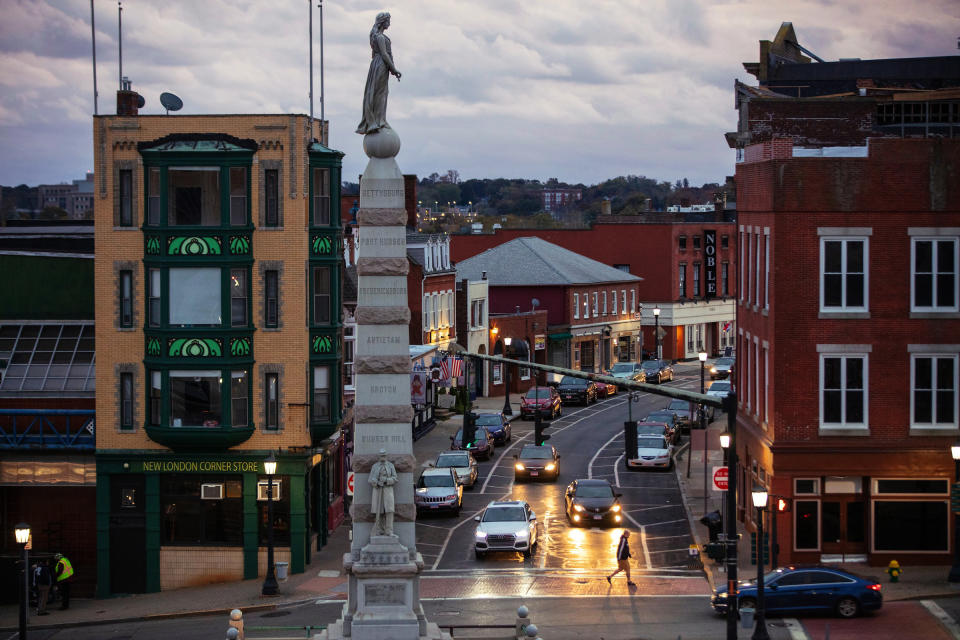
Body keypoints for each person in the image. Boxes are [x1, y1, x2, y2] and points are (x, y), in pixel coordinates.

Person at [356, 12, 401, 134]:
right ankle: (379, 121)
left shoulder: (378, 36)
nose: (389, 24)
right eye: (388, 21)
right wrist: (394, 69)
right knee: (380, 93)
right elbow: (385, 54)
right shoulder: (380, 37)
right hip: (380, 65)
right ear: (383, 22)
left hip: (378, 65)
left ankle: (380, 119)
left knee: (381, 92)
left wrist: (391, 69)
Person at [368, 449, 398, 536]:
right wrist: (376, 482)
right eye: (381, 456)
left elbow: (395, 478)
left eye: (384, 455)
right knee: (379, 511)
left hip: (388, 491)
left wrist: (386, 480)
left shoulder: (390, 466)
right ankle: (379, 529)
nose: (383, 457)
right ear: (379, 456)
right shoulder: (375, 466)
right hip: (378, 491)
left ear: (386, 456)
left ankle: (389, 530)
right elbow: (370, 479)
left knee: (389, 511)